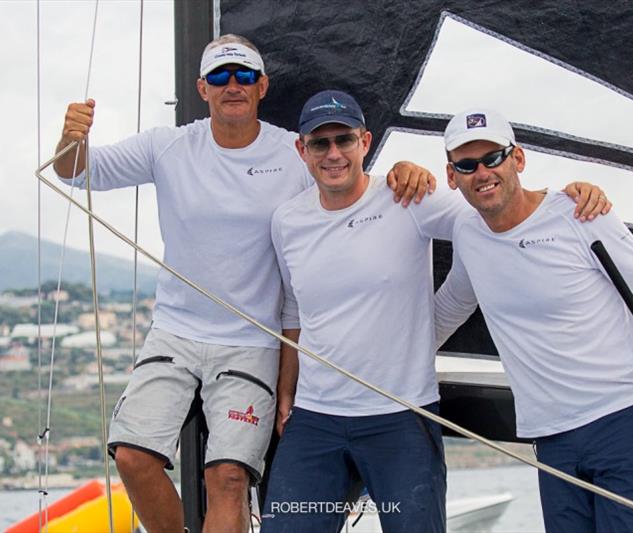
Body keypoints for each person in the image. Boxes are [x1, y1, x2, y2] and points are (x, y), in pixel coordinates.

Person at [53, 35, 436, 533]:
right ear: (202, 89)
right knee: (130, 456)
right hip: (175, 332)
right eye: (219, 77)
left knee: (229, 478)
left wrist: (402, 172)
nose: (232, 85)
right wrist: (69, 140)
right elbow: (75, 172)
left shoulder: (295, 154)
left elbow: (345, 181)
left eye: (243, 76)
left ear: (262, 86)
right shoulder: (167, 146)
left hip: (253, 340)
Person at [261, 91, 611, 533]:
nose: (333, 153)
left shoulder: (408, 197)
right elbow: (293, 308)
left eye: (344, 140)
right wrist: (285, 388)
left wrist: (565, 197)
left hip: (401, 416)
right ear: (302, 150)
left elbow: (497, 213)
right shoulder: (286, 220)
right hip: (316, 419)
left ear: (365, 142)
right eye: (320, 143)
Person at [434, 108, 633, 532]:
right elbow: (450, 307)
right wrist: (379, 361)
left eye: (494, 158)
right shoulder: (468, 233)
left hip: (628, 419)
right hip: (553, 437)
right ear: (453, 177)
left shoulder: (579, 214)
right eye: (467, 165)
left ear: (518, 159)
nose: (482, 172)